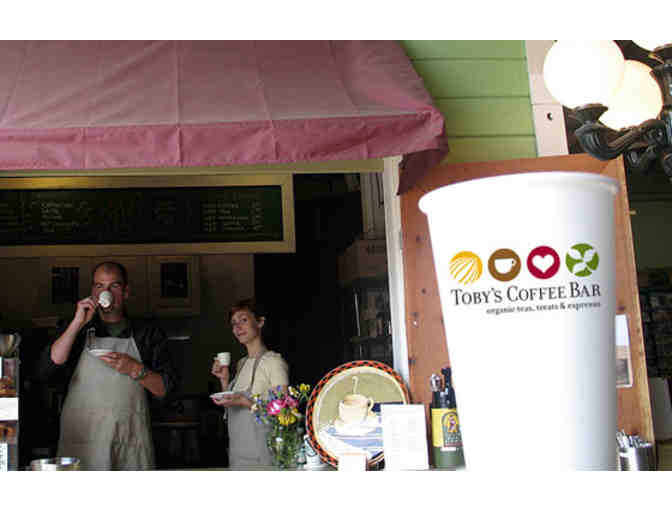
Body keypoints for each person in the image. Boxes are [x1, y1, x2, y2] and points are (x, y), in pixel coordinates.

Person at [38, 261, 178, 470]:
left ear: (126, 291)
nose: (106, 292)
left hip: (129, 440)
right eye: (99, 286)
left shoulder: (147, 333)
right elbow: (47, 369)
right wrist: (77, 323)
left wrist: (134, 369)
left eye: (114, 286)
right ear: (92, 292)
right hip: (82, 441)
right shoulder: (77, 329)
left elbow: (167, 389)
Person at [210, 298, 289, 468]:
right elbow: (232, 409)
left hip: (262, 458)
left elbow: (283, 414)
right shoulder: (241, 363)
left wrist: (246, 402)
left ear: (260, 322)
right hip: (237, 454)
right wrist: (224, 380)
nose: (237, 327)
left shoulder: (274, 362)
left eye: (243, 320)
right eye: (233, 323)